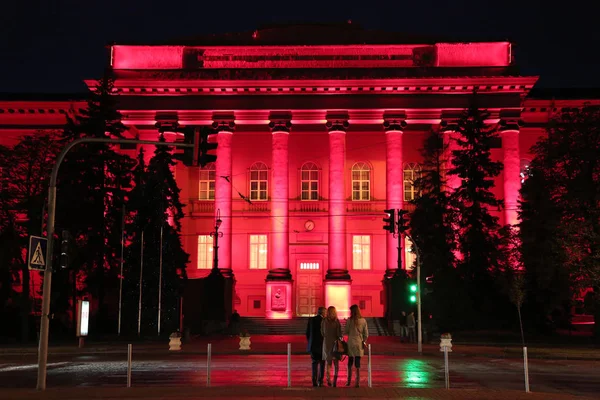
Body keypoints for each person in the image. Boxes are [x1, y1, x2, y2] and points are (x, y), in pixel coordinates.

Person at [344, 304, 368, 388]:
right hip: (359, 343)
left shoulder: (349, 321)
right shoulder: (363, 321)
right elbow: (366, 334)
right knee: (357, 363)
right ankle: (357, 382)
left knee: (349, 362)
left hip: (351, 343)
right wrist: (363, 340)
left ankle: (348, 381)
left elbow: (346, 331)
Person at [321, 306, 342, 387]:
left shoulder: (324, 321)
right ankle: (335, 381)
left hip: (326, 344)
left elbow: (322, 333)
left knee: (328, 363)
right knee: (336, 364)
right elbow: (339, 334)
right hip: (335, 344)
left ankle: (328, 379)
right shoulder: (336, 321)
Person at [306, 306, 326, 387]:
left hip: (313, 346)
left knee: (314, 363)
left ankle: (314, 381)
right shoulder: (324, 321)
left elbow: (307, 333)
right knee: (322, 364)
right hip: (322, 346)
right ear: (323, 313)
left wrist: (310, 341)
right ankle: (320, 381)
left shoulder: (311, 320)